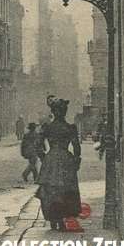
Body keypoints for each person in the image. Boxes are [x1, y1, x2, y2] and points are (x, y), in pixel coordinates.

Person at [38, 98, 83, 231]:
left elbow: (38, 146)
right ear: (64, 112)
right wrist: (76, 160)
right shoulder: (70, 128)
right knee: (66, 190)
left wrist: (44, 158)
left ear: (53, 112)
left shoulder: (48, 128)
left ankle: (53, 218)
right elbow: (77, 148)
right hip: (65, 159)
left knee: (51, 190)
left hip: (51, 160)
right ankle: (62, 219)